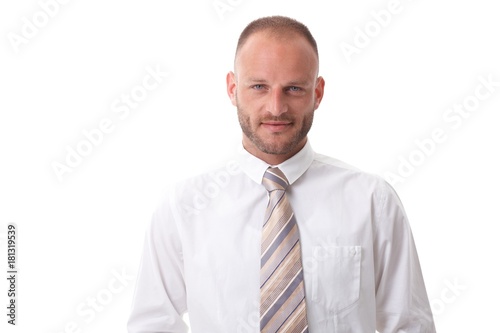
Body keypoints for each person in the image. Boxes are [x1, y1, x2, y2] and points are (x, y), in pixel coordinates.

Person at [127, 15, 436, 333]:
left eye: (294, 88)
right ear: (233, 89)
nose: (276, 107)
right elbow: (153, 323)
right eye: (259, 86)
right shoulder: (183, 206)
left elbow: (410, 325)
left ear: (317, 93)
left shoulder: (372, 200)